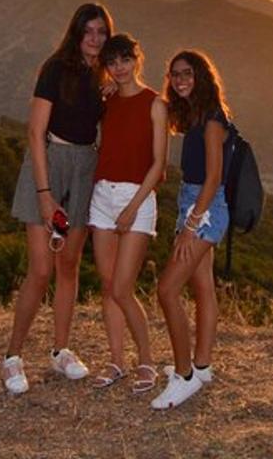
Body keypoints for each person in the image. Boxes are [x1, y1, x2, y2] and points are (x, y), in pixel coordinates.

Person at [2, 2, 113, 395]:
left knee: (68, 266)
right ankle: (12, 357)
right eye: (89, 31)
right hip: (48, 165)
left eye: (101, 32)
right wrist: (45, 195)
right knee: (41, 269)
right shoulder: (54, 68)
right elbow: (35, 132)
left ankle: (60, 350)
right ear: (76, 32)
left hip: (85, 168)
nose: (95, 39)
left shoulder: (104, 75)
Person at [87, 33, 168, 394]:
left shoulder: (155, 103)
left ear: (137, 59)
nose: (119, 68)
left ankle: (147, 362)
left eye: (124, 60)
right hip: (102, 195)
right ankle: (117, 361)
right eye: (112, 62)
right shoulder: (106, 102)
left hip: (138, 200)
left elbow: (159, 164)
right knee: (108, 287)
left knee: (123, 287)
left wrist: (132, 208)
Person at [151, 49, 231, 410]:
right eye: (174, 75)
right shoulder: (196, 116)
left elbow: (213, 178)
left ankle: (183, 377)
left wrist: (190, 226)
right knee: (203, 288)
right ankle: (201, 367)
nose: (180, 80)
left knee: (167, 290)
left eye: (187, 73)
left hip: (206, 208)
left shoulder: (213, 120)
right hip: (193, 201)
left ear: (201, 76)